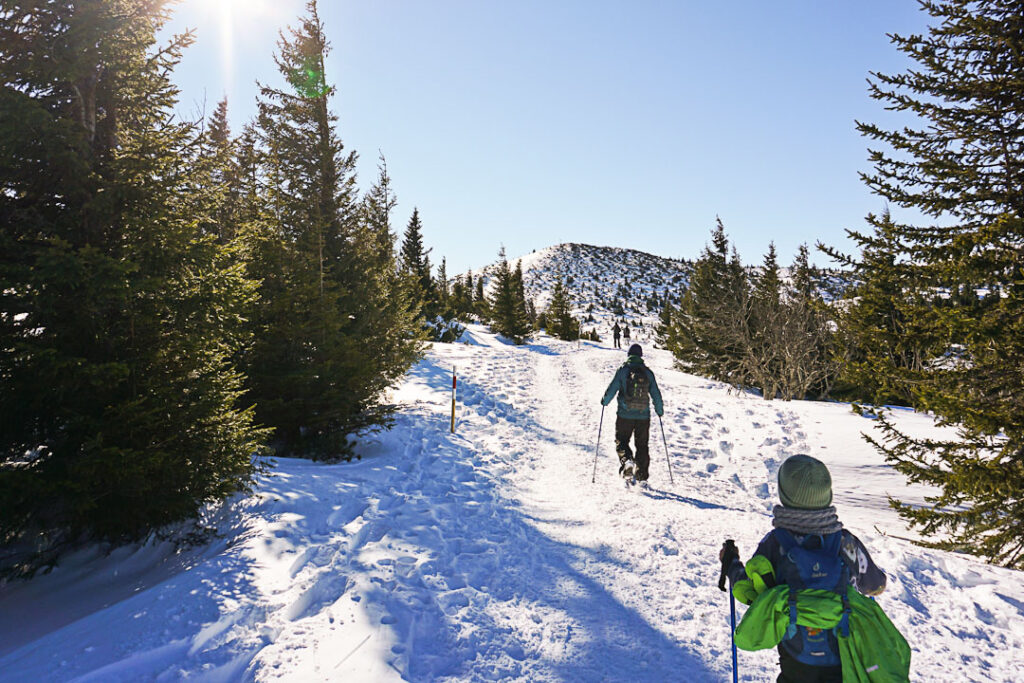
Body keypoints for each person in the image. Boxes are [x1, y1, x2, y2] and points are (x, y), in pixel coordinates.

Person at [720, 454, 889, 683]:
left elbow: (755, 595)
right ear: (827, 494)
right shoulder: (845, 542)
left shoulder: (775, 544)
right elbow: (875, 586)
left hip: (795, 662)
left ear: (785, 495)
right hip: (844, 659)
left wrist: (731, 565)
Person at [600, 343, 664, 483]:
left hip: (624, 415)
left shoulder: (623, 371)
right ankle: (642, 476)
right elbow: (655, 394)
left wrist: (605, 401)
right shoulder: (648, 372)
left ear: (629, 355)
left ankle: (627, 461)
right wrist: (659, 410)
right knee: (642, 445)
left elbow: (613, 388)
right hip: (643, 416)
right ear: (640, 356)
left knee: (621, 441)